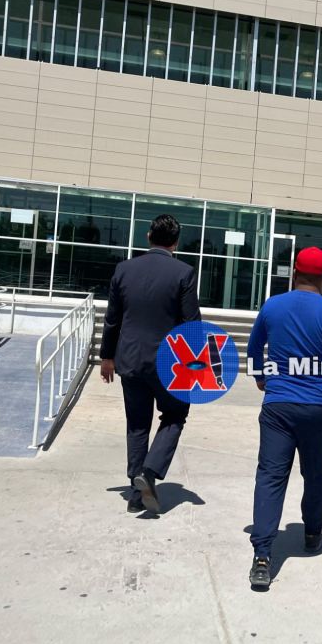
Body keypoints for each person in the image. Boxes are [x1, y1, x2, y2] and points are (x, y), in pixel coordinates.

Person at [245, 246, 322, 590]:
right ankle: (312, 532)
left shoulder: (272, 306)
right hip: (317, 409)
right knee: (314, 474)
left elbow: (253, 348)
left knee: (270, 477)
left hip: (278, 407)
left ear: (295, 272)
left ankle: (262, 557)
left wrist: (260, 376)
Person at [99, 214, 201, 515]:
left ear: (148, 236)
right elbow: (191, 323)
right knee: (175, 414)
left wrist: (107, 357)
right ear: (176, 242)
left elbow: (112, 318)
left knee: (137, 424)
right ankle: (150, 471)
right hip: (168, 364)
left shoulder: (124, 269)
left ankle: (136, 493)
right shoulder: (184, 273)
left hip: (130, 359)